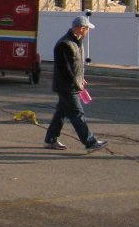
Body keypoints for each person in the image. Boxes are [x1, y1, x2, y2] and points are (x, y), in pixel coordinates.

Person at [45, 16, 107, 153]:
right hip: (67, 86)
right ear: (81, 28)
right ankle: (90, 142)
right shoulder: (65, 44)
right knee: (77, 114)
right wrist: (75, 82)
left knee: (61, 113)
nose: (88, 32)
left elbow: (76, 65)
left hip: (70, 85)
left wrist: (80, 78)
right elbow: (65, 69)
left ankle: (50, 139)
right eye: (87, 29)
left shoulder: (76, 41)